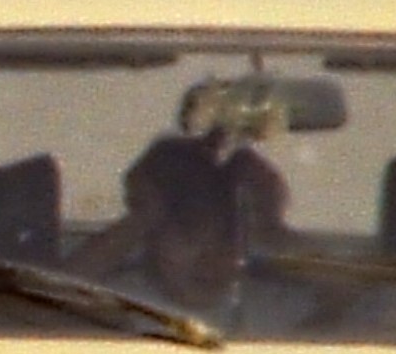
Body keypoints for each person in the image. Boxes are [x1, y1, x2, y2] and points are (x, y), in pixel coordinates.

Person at [67, 134, 287, 317]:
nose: (210, 261)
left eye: (226, 241)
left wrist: (271, 225)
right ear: (150, 237)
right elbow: (59, 296)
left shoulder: (272, 308)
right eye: (190, 238)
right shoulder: (117, 305)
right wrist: (141, 216)